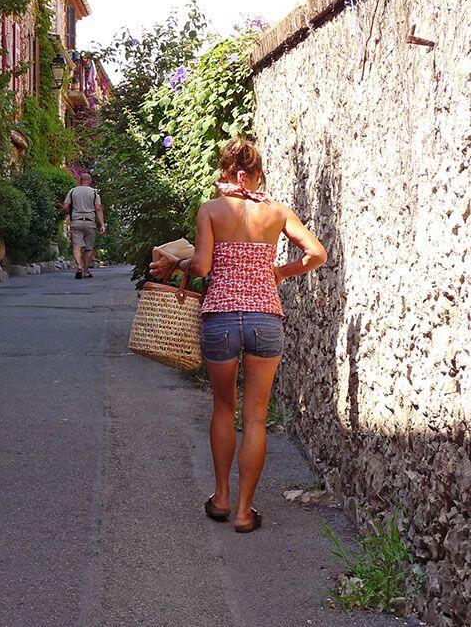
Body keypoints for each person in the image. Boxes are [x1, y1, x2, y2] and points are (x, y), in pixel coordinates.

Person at [149, 138, 326, 533]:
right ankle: (246, 511)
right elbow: (317, 253)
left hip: (221, 319)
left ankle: (222, 499)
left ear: (225, 171)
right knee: (256, 417)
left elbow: (202, 264)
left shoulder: (211, 210)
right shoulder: (277, 212)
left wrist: (178, 265)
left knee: (224, 408)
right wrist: (279, 273)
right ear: (257, 171)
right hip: (265, 319)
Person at [62, 172, 106, 279]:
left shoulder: (72, 191)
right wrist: (102, 224)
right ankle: (86, 272)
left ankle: (78, 266)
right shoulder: (94, 192)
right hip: (90, 222)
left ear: (79, 181)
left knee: (77, 245)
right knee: (89, 248)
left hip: (76, 221)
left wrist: (70, 213)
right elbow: (98, 209)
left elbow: (65, 207)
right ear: (89, 181)